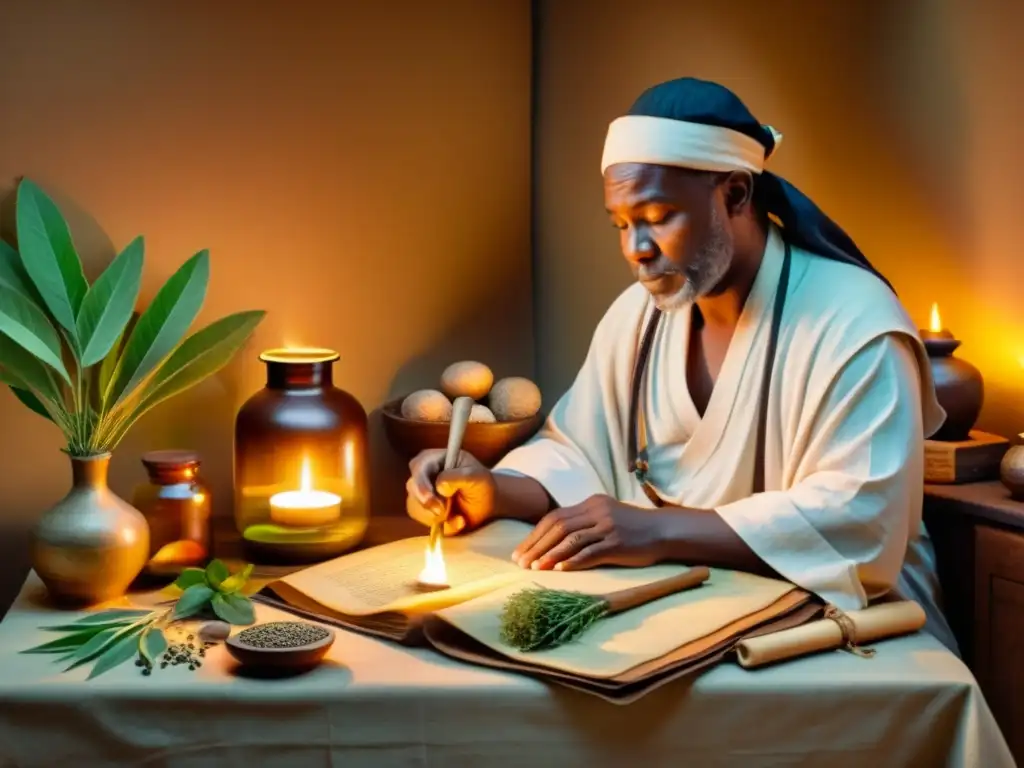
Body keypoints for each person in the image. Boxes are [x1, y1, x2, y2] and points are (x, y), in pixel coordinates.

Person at [405, 76, 957, 652]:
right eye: (620, 223)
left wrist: (658, 530)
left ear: (737, 195)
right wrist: (492, 491)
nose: (634, 248)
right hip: (691, 614)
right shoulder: (637, 318)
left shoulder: (855, 323)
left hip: (856, 632)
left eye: (658, 215)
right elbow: (579, 451)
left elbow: (860, 523)